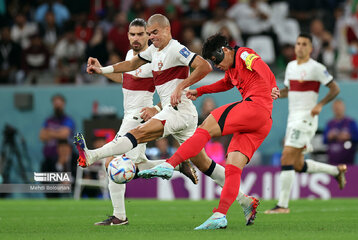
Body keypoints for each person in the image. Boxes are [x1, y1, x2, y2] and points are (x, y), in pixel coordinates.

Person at [75, 14, 260, 226]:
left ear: (167, 30)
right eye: (149, 33)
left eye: (154, 32)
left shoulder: (176, 48)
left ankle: (92, 156)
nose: (151, 36)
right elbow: (131, 64)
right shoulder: (153, 51)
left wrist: (182, 86)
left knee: (138, 133)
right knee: (205, 164)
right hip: (178, 114)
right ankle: (245, 200)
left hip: (177, 112)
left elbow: (205, 67)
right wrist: (102, 69)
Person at [138, 33, 279, 230]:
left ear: (226, 50)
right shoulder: (232, 69)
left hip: (255, 107)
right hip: (262, 123)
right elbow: (224, 84)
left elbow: (261, 66)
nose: (215, 65)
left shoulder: (243, 54)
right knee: (232, 168)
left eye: (215, 59)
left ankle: (169, 165)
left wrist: (273, 85)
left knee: (205, 128)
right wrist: (200, 91)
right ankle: (221, 215)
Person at [83, 18, 198, 226]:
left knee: (113, 164)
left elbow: (167, 89)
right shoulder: (130, 55)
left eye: (141, 34)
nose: (136, 38)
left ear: (149, 35)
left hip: (139, 116)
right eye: (132, 34)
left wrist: (155, 109)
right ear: (127, 36)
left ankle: (119, 216)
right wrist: (103, 70)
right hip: (129, 113)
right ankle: (178, 166)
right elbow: (126, 79)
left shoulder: (153, 58)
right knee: (137, 165)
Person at [264, 33, 345, 214]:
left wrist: (320, 104)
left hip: (306, 118)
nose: (299, 47)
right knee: (298, 165)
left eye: (304, 44)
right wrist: (276, 94)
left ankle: (282, 206)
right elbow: (289, 90)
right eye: (298, 44)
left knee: (286, 157)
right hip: (293, 118)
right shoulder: (291, 66)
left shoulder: (316, 68)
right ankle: (336, 171)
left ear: (310, 48)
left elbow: (335, 88)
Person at [40, 94, 75, 162]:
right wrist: (58, 132)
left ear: (63, 104)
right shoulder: (49, 120)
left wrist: (49, 132)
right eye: (55, 104)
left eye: (59, 104)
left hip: (62, 157)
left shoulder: (68, 120)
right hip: (48, 156)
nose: (57, 106)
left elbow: (64, 134)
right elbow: (42, 136)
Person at [324, 99, 358, 165]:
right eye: (336, 108)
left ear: (344, 108)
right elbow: (324, 140)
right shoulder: (330, 123)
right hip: (332, 161)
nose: (337, 110)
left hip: (348, 161)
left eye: (339, 108)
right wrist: (329, 136)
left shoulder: (351, 122)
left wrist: (349, 136)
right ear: (333, 109)